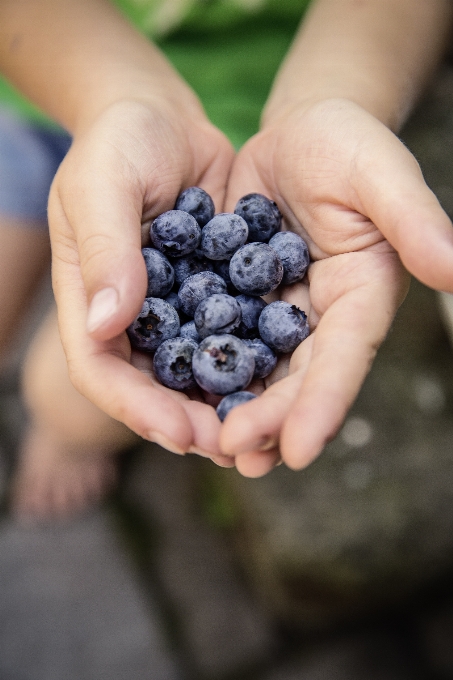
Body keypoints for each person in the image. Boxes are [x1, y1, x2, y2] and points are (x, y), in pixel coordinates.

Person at [0, 0, 452, 520]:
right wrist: (117, 98)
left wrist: (336, 96)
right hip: (44, 82)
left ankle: (66, 437)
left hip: (252, 125)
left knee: (71, 399)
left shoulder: (238, 268)